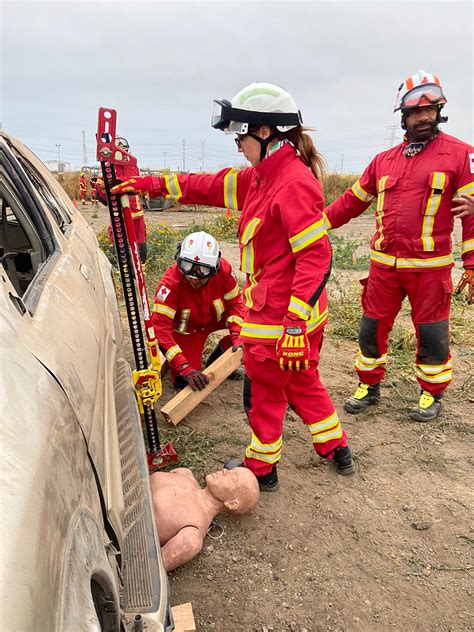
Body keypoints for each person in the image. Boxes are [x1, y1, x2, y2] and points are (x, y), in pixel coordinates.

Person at [112, 82, 355, 492]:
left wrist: (294, 324)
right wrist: (149, 185)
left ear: (265, 132)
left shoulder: (291, 183)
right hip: (295, 316)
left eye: (241, 135)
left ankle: (262, 469)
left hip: (282, 318)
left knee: (264, 394)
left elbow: (317, 256)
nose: (237, 145)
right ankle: (337, 448)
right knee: (302, 381)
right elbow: (203, 186)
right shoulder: (261, 178)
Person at [323, 70, 474, 422]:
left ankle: (431, 393)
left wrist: (472, 264)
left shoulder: (461, 155)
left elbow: (471, 216)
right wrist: (314, 225)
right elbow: (350, 202)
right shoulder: (383, 161)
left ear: (439, 111)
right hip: (383, 269)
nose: (424, 117)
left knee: (432, 334)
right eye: (416, 112)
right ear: (402, 116)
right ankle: (369, 385)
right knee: (370, 329)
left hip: (430, 270)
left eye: (431, 110)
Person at [152, 230, 245, 391]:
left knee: (252, 325)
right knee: (184, 382)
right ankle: (196, 365)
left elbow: (235, 306)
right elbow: (160, 329)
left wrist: (237, 336)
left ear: (215, 267)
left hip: (215, 319)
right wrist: (183, 367)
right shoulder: (170, 283)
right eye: (187, 267)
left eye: (202, 272)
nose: (194, 277)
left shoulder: (224, 271)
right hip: (188, 331)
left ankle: (223, 354)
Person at [150, 466, 259, 572]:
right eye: (230, 470)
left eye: (233, 478)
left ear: (232, 504)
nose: (225, 471)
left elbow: (150, 569)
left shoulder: (192, 534)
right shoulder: (185, 474)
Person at [97, 137, 148, 263]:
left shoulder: (133, 167)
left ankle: (141, 270)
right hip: (119, 214)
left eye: (125, 151)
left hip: (137, 214)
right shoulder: (107, 168)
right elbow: (99, 192)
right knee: (120, 249)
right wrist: (111, 199)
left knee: (141, 248)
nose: (124, 155)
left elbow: (139, 187)